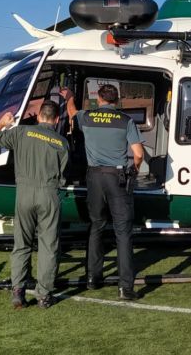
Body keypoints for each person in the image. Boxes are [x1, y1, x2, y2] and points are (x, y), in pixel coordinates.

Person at [0, 100, 69, 309]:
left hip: (24, 193)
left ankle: (18, 291)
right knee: (49, 246)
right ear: (57, 120)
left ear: (39, 116)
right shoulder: (61, 142)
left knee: (21, 244)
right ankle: (44, 295)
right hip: (48, 193)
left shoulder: (21, 132)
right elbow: (63, 175)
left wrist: (2, 123)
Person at [61, 84, 143, 300]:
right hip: (117, 177)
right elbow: (138, 153)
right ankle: (125, 287)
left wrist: (69, 97)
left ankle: (92, 278)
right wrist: (133, 170)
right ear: (116, 99)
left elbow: (71, 113)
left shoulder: (87, 117)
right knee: (123, 232)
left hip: (94, 177)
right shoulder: (126, 120)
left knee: (96, 226)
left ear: (98, 98)